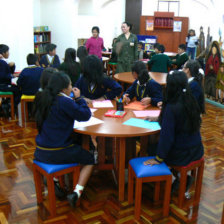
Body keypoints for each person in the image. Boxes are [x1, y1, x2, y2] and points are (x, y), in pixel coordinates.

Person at [33, 72, 94, 207]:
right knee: (90, 159)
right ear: (63, 88)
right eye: (70, 85)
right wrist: (80, 99)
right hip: (58, 151)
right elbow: (85, 115)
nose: (71, 87)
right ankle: (77, 192)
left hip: (40, 151)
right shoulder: (64, 101)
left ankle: (54, 179)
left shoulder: (41, 98)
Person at [144, 70, 204, 191]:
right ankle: (181, 177)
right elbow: (181, 121)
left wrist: (158, 158)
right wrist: (159, 118)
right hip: (197, 149)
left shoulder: (171, 107)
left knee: (150, 148)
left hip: (182, 154)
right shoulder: (190, 100)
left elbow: (167, 138)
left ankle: (173, 180)